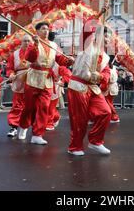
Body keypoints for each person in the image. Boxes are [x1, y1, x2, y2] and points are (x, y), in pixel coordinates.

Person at [17, 22, 74, 145]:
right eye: (43, 29)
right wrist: (36, 44)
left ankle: (37, 134)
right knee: (29, 107)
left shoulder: (54, 45)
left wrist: (69, 61)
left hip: (47, 80)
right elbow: (30, 58)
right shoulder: (32, 44)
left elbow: (60, 60)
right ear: (37, 31)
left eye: (47, 29)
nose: (46, 31)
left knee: (44, 107)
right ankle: (23, 126)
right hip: (33, 79)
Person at [66, 19, 112, 156]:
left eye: (109, 37)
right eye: (106, 36)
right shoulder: (86, 44)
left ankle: (95, 141)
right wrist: (98, 18)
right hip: (78, 85)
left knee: (105, 112)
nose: (108, 39)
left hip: (92, 87)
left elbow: (107, 73)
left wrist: (101, 76)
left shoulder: (106, 57)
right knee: (79, 119)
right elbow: (86, 28)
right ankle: (75, 147)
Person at [5, 35, 32, 137]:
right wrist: (11, 74)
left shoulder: (35, 53)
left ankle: (27, 127)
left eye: (29, 41)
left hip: (32, 82)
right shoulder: (14, 54)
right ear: (21, 42)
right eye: (25, 41)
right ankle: (13, 127)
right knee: (17, 105)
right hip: (19, 82)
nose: (27, 43)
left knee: (30, 106)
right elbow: (9, 68)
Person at [46, 32, 72, 131]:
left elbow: (67, 73)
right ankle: (54, 118)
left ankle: (50, 122)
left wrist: (64, 82)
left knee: (51, 106)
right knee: (44, 105)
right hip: (43, 85)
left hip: (54, 87)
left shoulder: (58, 64)